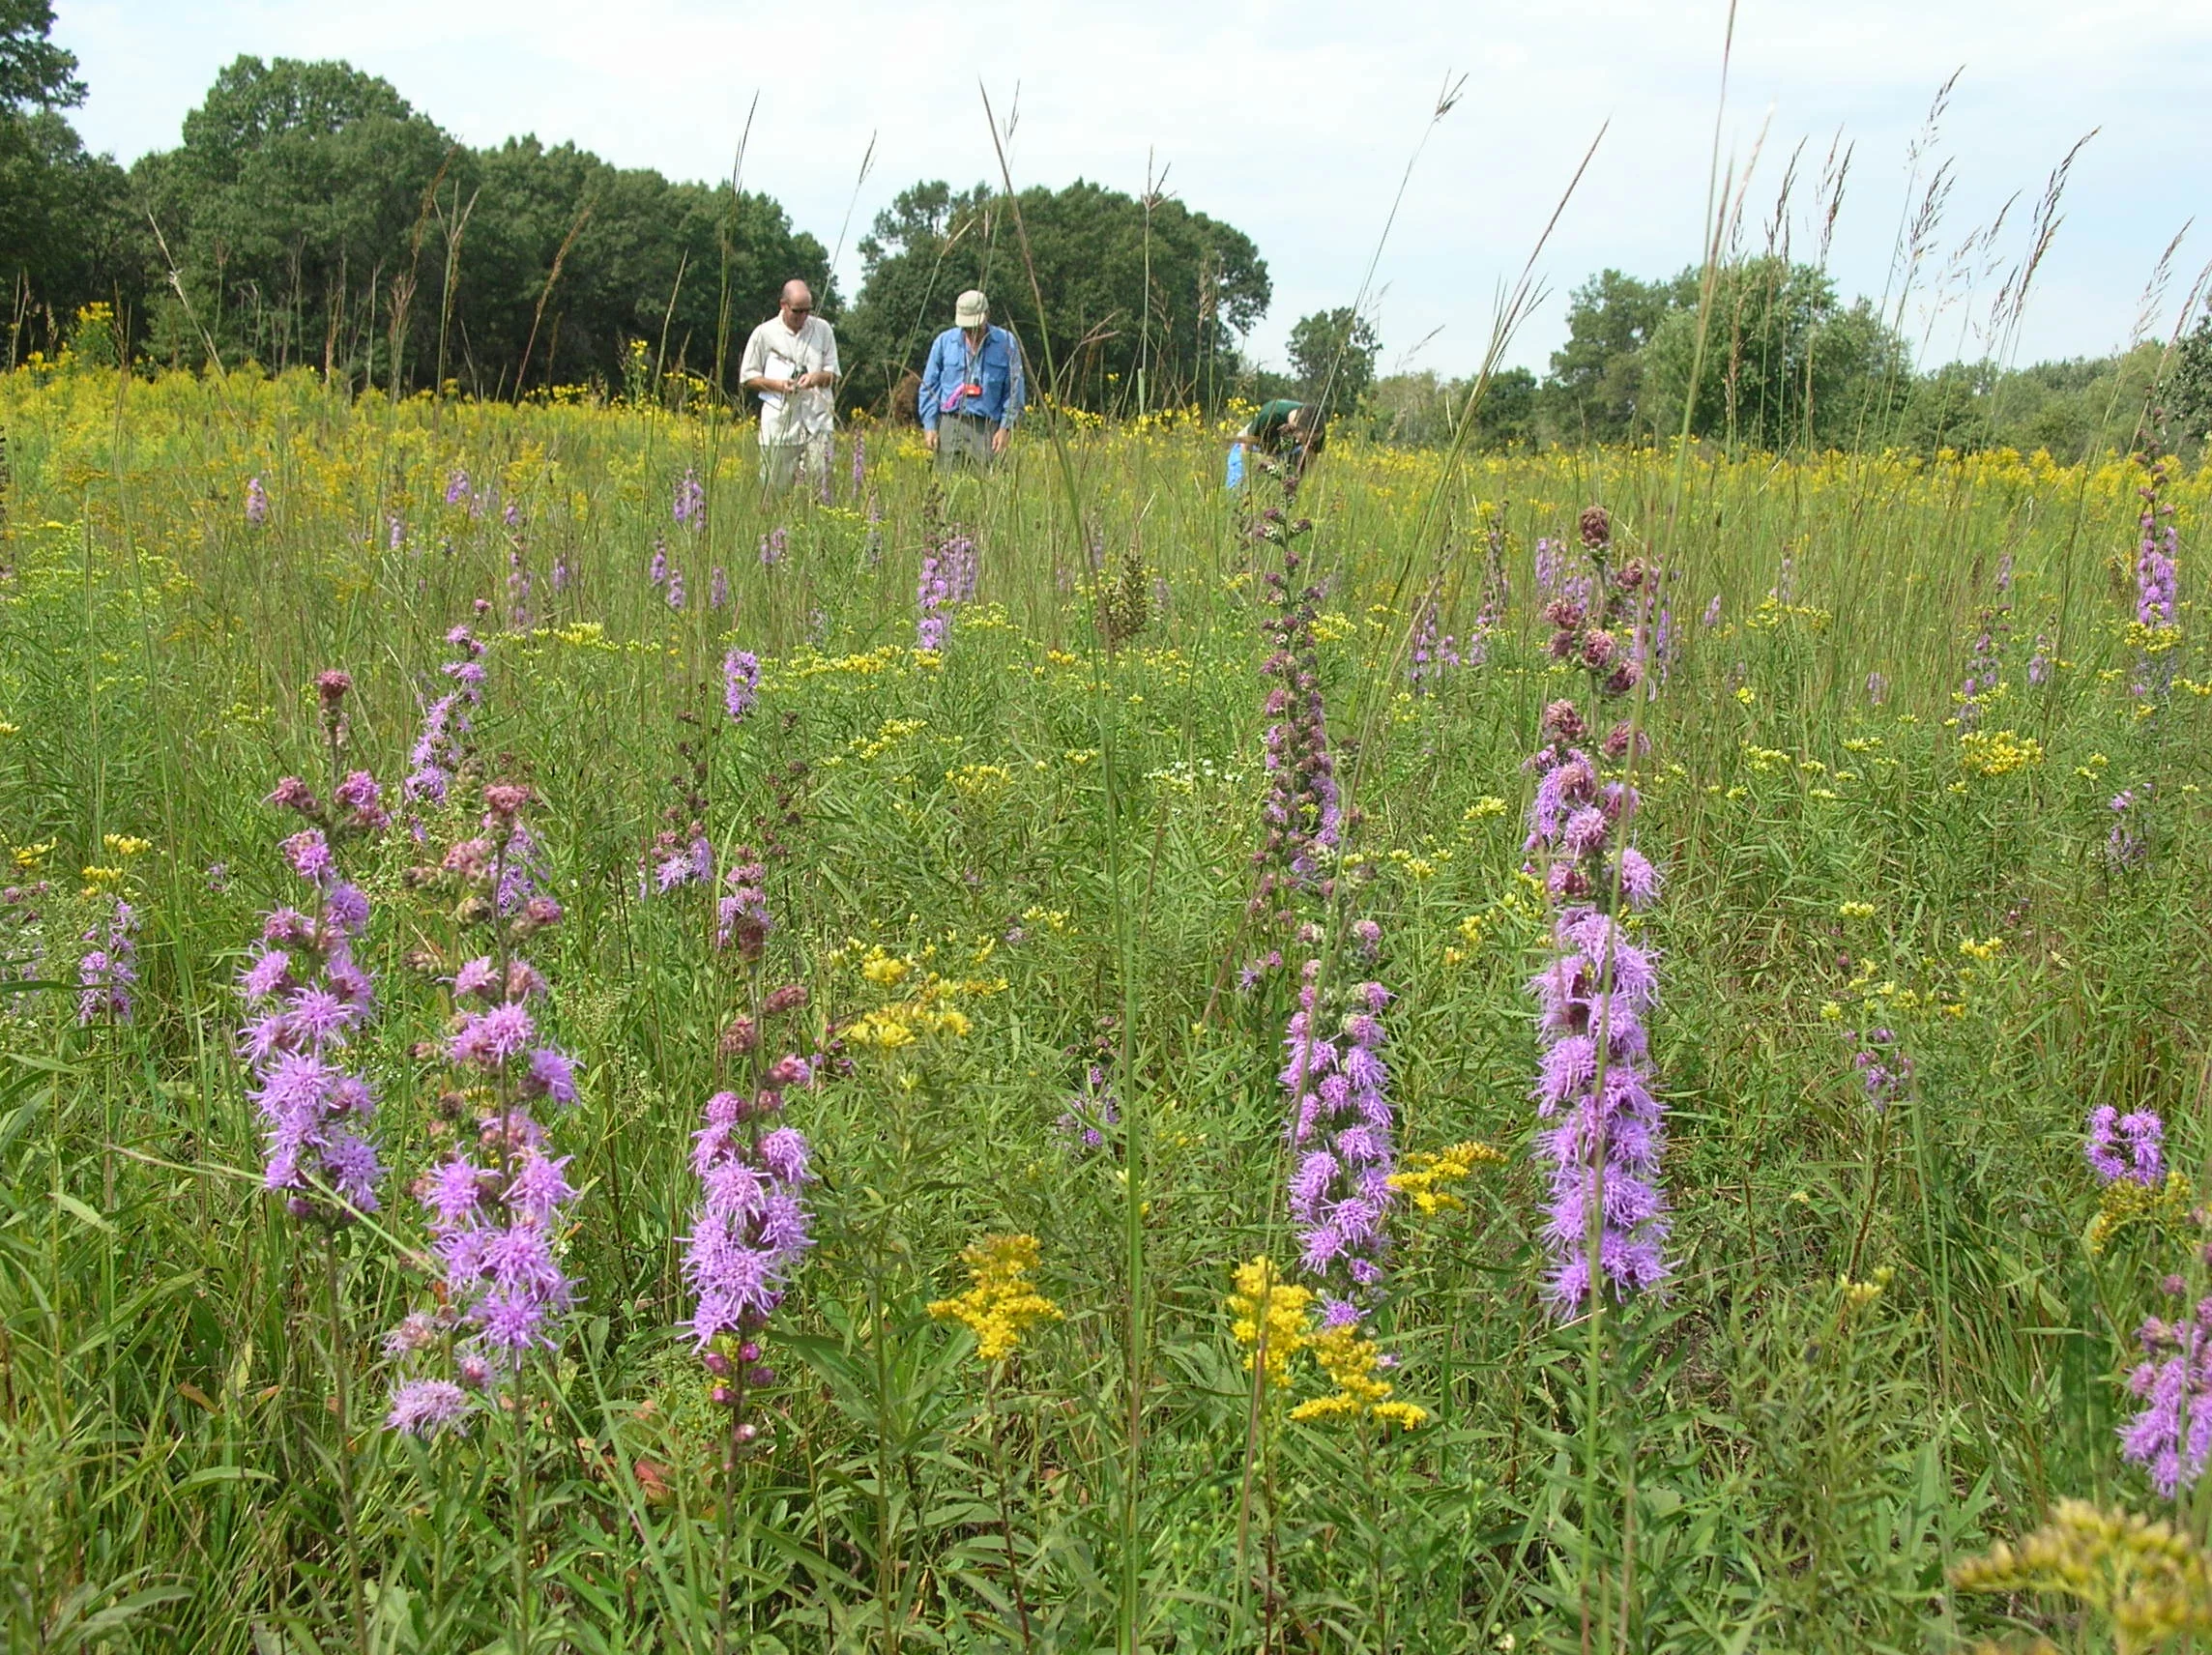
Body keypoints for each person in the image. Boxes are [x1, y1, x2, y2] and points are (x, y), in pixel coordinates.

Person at [740, 279, 839, 492]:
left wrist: (815, 378)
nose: (803, 317)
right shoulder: (763, 333)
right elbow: (748, 377)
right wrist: (777, 385)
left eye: (807, 311)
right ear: (783, 305)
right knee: (775, 491)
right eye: (797, 311)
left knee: (819, 490)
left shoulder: (822, 330)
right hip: (780, 425)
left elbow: (834, 374)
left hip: (817, 423)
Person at [919, 290, 1026, 470]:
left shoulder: (1007, 342)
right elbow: (929, 386)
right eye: (966, 327)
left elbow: (1014, 390)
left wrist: (1005, 428)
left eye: (976, 326)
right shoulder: (943, 342)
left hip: (987, 430)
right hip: (950, 425)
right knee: (946, 487)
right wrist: (929, 425)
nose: (971, 332)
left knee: (986, 489)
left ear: (987, 315)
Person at [1228, 397, 1325, 486]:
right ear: (1297, 428)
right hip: (1250, 446)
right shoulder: (1270, 414)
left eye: (1314, 440)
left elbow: (1310, 460)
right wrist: (1249, 473)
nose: (1310, 443)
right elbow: (1245, 448)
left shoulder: (1317, 428)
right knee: (1238, 487)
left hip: (1284, 453)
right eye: (1307, 439)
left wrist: (1297, 483)